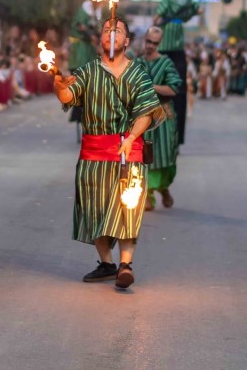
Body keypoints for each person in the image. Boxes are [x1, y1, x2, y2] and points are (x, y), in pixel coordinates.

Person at [54, 15, 163, 290]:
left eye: (117, 31)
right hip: (94, 154)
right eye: (106, 30)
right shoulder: (87, 71)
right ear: (100, 39)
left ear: (127, 41)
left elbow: (147, 112)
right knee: (94, 210)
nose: (111, 34)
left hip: (128, 152)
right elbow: (68, 97)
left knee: (128, 208)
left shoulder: (138, 73)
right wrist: (59, 86)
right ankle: (106, 263)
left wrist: (132, 137)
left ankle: (126, 264)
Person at [139, 27, 181, 211]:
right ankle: (147, 195)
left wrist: (152, 86)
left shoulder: (166, 63)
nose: (150, 46)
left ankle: (163, 188)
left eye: (155, 43)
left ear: (159, 44)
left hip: (163, 115)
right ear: (144, 39)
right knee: (144, 156)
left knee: (164, 156)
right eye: (148, 41)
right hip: (141, 115)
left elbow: (173, 89)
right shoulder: (137, 63)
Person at [154, 0, 199, 145]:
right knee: (179, 88)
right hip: (178, 42)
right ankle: (177, 136)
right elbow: (198, 9)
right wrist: (186, 15)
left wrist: (155, 25)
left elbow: (158, 14)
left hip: (166, 42)